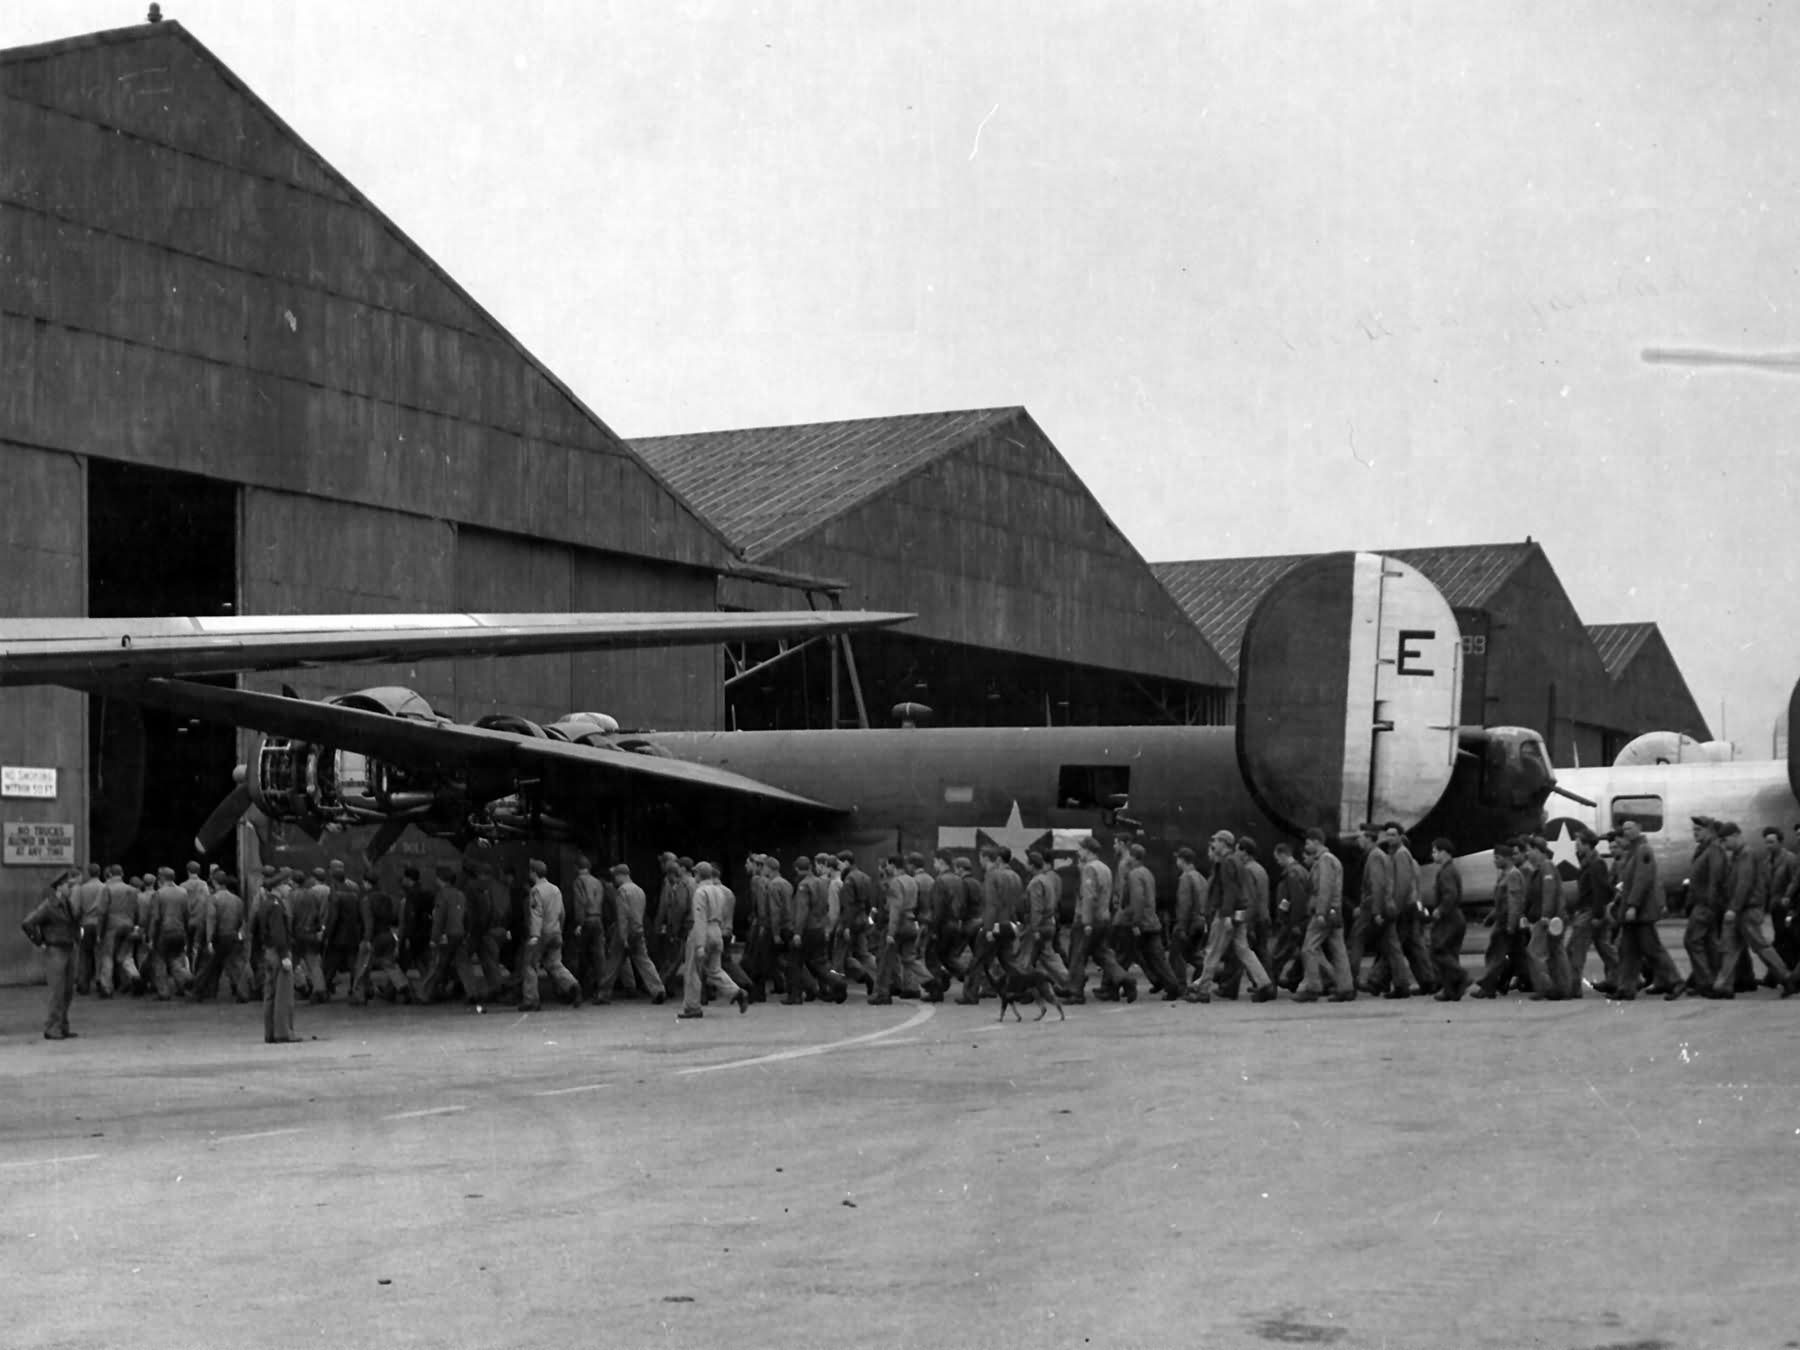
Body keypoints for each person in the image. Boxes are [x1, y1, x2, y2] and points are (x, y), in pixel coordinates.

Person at [1711, 822, 1797, 997]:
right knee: (1730, 947)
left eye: (1725, 840)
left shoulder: (1746, 855)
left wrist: (1733, 908)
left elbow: (1744, 883)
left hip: (1747, 909)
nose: (1724, 844)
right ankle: (1723, 986)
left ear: (1736, 836)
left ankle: (1786, 978)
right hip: (1740, 908)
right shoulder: (1737, 855)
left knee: (1760, 946)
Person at [1188, 830, 1275, 1003]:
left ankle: (1203, 991)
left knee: (1212, 951)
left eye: (1216, 841)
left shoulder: (1227, 862)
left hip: (1226, 913)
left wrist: (1226, 915)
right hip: (1239, 912)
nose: (1214, 844)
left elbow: (1230, 890)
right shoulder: (1237, 861)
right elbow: (1240, 889)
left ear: (1224, 843)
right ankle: (1264, 984)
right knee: (1244, 950)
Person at [1609, 820, 1683, 1000]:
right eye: (1624, 829)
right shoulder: (1632, 852)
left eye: (1630, 828)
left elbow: (1642, 880)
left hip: (1640, 913)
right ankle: (1626, 988)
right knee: (1628, 951)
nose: (1626, 832)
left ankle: (1675, 982)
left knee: (1652, 949)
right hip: (1631, 913)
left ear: (1639, 829)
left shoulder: (1643, 851)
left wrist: (1633, 905)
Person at [677, 862, 750, 1019]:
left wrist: (700, 945)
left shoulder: (700, 892)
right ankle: (737, 992)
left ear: (698, 874)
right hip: (717, 930)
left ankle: (692, 1007)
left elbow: (700, 918)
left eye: (695, 873)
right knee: (715, 969)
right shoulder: (720, 891)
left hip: (703, 931)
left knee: (692, 971)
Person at [21, 869, 82, 1039]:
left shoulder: (68, 905)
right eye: (68, 886)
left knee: (68, 990)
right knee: (57, 991)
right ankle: (52, 1028)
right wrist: (40, 941)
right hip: (55, 950)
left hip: (69, 948)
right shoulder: (48, 906)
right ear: (59, 887)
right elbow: (28, 923)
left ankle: (62, 1025)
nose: (71, 888)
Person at [601, 863, 666, 1003]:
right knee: (644, 962)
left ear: (620, 875)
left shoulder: (622, 891)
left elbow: (623, 916)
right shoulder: (639, 891)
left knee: (613, 964)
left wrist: (623, 938)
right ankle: (658, 990)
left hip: (624, 933)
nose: (614, 880)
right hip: (638, 931)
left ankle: (603, 994)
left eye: (615, 877)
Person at [521, 858, 580, 1010]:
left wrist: (534, 935)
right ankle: (572, 985)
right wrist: (559, 929)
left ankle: (531, 1000)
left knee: (530, 964)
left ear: (534, 873)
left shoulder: (536, 890)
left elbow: (536, 913)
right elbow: (562, 913)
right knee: (555, 964)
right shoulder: (555, 889)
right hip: (555, 932)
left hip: (542, 933)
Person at [1566, 830, 1618, 997]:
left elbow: (1599, 890)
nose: (1576, 846)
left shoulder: (1595, 864)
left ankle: (1573, 988)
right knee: (1605, 948)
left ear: (1587, 845)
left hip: (1590, 912)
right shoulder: (1591, 861)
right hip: (1592, 911)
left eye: (1579, 843)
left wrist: (1597, 915)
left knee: (1575, 949)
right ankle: (1629, 976)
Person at [251, 870, 297, 1043]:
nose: (289, 888)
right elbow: (279, 932)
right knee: (283, 995)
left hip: (268, 951)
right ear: (280, 887)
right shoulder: (277, 905)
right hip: (278, 952)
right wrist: (285, 955)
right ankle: (284, 1032)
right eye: (287, 884)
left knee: (269, 994)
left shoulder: (264, 903)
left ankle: (270, 1033)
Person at [1683, 816, 1727, 996]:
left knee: (1692, 941)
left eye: (1698, 830)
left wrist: (1710, 903)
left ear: (1710, 830)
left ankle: (1705, 982)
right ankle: (1714, 981)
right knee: (1709, 943)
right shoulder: (1703, 849)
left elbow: (1716, 878)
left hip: (1706, 904)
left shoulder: (1714, 849)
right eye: (1694, 830)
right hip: (1701, 902)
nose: (1695, 833)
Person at [194, 872, 251, 1003]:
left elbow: (211, 919)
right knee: (236, 966)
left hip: (219, 937)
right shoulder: (237, 900)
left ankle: (199, 990)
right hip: (233, 936)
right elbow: (242, 920)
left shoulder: (213, 899)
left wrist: (208, 940)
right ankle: (243, 993)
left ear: (214, 883)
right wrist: (241, 935)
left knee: (208, 966)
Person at [569, 855, 611, 1004]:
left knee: (581, 956)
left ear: (576, 868)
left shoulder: (578, 882)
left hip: (586, 920)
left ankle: (581, 990)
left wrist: (579, 924)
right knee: (600, 957)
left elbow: (579, 903)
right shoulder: (598, 882)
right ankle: (603, 992)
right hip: (598, 919)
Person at [97, 864, 143, 998]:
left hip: (112, 927)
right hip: (128, 925)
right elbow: (137, 910)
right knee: (126, 956)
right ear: (122, 874)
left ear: (110, 874)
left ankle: (106, 987)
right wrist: (136, 925)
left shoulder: (107, 889)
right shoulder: (132, 890)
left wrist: (100, 933)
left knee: (107, 956)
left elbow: (102, 912)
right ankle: (135, 976)